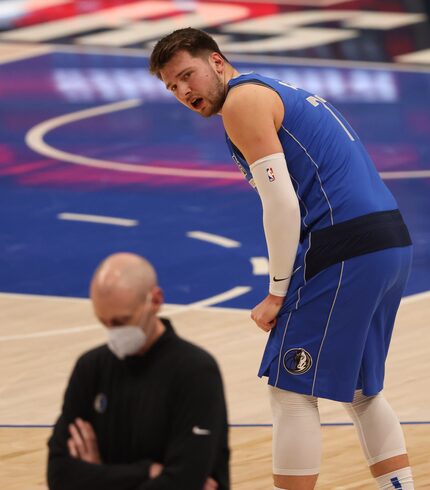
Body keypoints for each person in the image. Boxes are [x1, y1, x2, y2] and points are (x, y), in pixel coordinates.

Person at [149, 28, 414, 490]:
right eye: (172, 86)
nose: (184, 91)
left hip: (345, 244)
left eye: (187, 75)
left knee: (290, 390)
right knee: (360, 390)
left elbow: (281, 203)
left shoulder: (241, 102)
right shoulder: (273, 89)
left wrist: (276, 291)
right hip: (389, 238)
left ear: (216, 61)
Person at [47, 252, 229, 490]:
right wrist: (146, 472)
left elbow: (183, 481)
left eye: (121, 321)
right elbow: (59, 474)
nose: (113, 332)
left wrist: (99, 475)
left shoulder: (196, 372)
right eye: (104, 322)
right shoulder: (90, 368)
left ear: (154, 301)